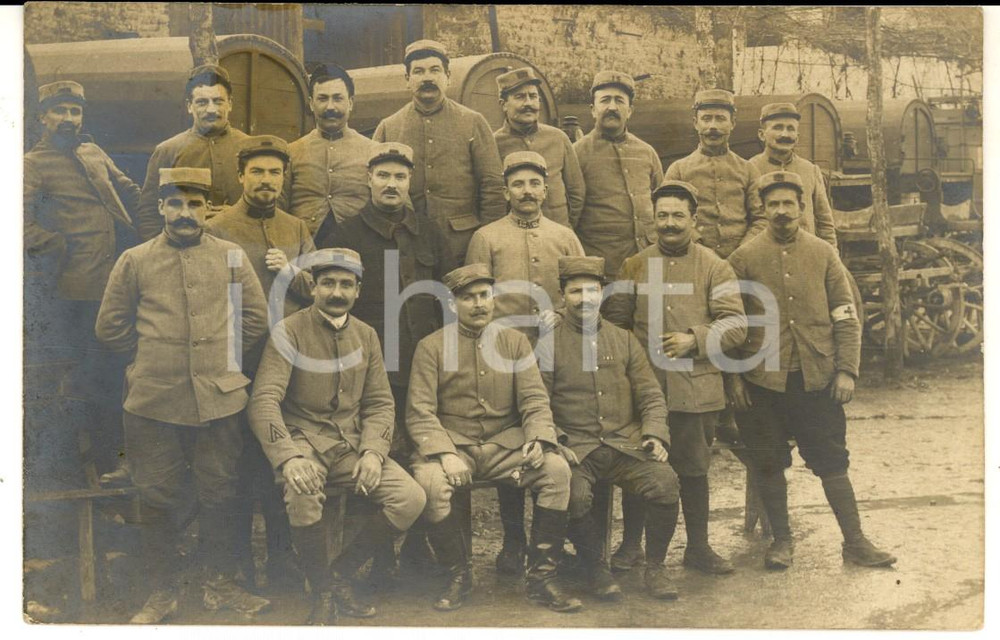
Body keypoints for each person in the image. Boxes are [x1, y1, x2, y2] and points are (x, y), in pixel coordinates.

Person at [95, 167, 270, 623]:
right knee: (156, 494)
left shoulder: (231, 255)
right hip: (154, 401)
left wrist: (220, 361)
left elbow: (254, 318)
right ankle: (162, 592)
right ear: (160, 207)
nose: (185, 213)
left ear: (207, 209)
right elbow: (110, 327)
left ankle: (219, 586)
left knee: (220, 492)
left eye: (194, 204)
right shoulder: (134, 260)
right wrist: (149, 362)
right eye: (175, 203)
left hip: (220, 399)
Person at [726, 171, 896, 571]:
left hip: (816, 378)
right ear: (763, 210)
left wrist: (846, 371)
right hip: (760, 380)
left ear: (802, 209)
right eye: (773, 205)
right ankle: (782, 542)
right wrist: (733, 377)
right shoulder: (743, 258)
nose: (782, 211)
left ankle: (855, 541)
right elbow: (727, 323)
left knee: (831, 459)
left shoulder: (823, 254)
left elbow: (846, 315)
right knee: (768, 461)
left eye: (789, 204)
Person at [249, 248, 427, 625]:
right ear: (312, 287)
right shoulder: (290, 330)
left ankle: (339, 578)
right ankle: (322, 594)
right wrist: (289, 457)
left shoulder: (366, 334)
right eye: (328, 283)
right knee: (302, 494)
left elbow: (380, 403)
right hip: (303, 443)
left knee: (410, 498)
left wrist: (374, 453)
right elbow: (264, 399)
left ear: (358, 291)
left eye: (346, 284)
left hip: (350, 447)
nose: (337, 292)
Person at [406, 264, 582, 613]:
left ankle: (542, 578)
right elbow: (420, 411)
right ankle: (457, 574)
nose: (478, 304)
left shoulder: (514, 342)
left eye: (484, 295)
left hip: (507, 445)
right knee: (428, 483)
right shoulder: (431, 346)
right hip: (455, 446)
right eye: (468, 297)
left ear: (493, 299)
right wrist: (444, 453)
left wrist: (539, 440)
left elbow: (534, 400)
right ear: (453, 304)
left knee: (557, 471)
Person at [321, 142, 456, 581]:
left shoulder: (430, 232)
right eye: (383, 175)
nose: (392, 184)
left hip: (424, 366)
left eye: (400, 176)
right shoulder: (346, 234)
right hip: (371, 369)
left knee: (422, 459)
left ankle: (418, 553)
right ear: (368, 180)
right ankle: (378, 562)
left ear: (410, 182)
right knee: (376, 458)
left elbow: (445, 301)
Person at [604, 179, 748, 576]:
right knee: (638, 468)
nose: (669, 223)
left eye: (678, 215)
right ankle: (632, 545)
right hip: (643, 391)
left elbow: (736, 325)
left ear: (693, 219)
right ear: (653, 218)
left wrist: (695, 339)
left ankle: (698, 547)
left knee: (693, 469)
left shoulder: (715, 266)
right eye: (662, 215)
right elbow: (614, 326)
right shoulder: (634, 265)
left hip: (695, 389)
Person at [465, 150, 584, 575]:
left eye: (535, 183)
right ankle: (513, 541)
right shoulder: (487, 236)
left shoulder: (564, 235)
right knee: (513, 440)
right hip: (504, 355)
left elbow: (582, 292)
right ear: (506, 191)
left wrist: (563, 315)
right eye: (518, 184)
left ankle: (552, 541)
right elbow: (475, 298)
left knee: (554, 439)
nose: (527, 191)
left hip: (555, 353)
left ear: (546, 190)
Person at [205, 134, 316, 589]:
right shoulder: (220, 227)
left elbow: (318, 287)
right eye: (257, 172)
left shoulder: (296, 228)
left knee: (280, 457)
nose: (266, 180)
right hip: (237, 364)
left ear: (284, 178)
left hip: (287, 365)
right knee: (238, 465)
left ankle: (281, 559)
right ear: (241, 176)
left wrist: (290, 270)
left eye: (274, 172)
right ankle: (238, 564)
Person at [537, 255, 682, 600]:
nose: (584, 298)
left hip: (624, 444)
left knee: (665, 482)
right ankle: (595, 569)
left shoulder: (624, 339)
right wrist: (554, 440)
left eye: (592, 290)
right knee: (573, 496)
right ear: (562, 296)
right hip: (577, 448)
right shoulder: (548, 343)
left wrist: (654, 434)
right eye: (575, 291)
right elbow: (536, 401)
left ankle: (656, 569)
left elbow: (650, 395)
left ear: (602, 293)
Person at [24, 80, 140, 484]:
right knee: (94, 378)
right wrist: (54, 245)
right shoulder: (32, 164)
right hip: (79, 290)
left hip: (120, 282)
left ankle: (122, 462)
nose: (68, 119)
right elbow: (17, 220)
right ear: (42, 117)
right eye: (60, 111)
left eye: (74, 111)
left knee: (125, 371)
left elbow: (129, 190)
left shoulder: (92, 152)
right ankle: (98, 463)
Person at [373, 39, 506, 262]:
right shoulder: (389, 127)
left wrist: (487, 241)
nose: (427, 78)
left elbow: (492, 186)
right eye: (418, 71)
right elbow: (375, 190)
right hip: (406, 244)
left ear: (448, 77)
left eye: (435, 70)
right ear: (407, 80)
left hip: (462, 244)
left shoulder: (473, 122)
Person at [136, 64, 249, 240]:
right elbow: (149, 212)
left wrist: (237, 213)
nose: (211, 109)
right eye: (202, 102)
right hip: (186, 248)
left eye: (218, 101)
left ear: (230, 104)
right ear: (190, 106)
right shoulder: (168, 150)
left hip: (240, 244)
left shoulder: (249, 147)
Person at [573, 70, 663, 279]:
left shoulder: (646, 152)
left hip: (647, 262)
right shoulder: (577, 153)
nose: (612, 107)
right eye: (605, 100)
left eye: (619, 101)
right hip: (602, 266)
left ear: (630, 110)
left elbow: (661, 202)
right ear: (593, 109)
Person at [663, 89, 765, 259]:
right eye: (706, 118)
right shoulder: (678, 170)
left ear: (732, 123)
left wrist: (741, 252)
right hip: (694, 258)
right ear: (696, 123)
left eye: (720, 119)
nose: (713, 126)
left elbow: (761, 219)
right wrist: (701, 248)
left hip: (741, 261)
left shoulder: (748, 170)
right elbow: (669, 217)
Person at [285, 64, 376, 235]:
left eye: (337, 98)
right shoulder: (292, 152)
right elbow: (277, 213)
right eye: (322, 99)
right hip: (304, 251)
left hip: (359, 249)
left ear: (350, 103)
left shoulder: (373, 151)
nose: (330, 107)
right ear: (311, 104)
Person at [493, 67, 585, 228]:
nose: (528, 103)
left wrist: (565, 226)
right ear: (504, 104)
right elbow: (492, 197)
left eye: (533, 96)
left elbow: (576, 191)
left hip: (559, 233)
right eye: (520, 97)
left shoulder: (558, 138)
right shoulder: (494, 143)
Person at [747, 102, 838, 248]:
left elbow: (825, 222)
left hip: (805, 254)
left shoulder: (811, 170)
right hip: (765, 257)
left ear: (797, 137)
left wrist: (832, 256)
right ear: (762, 135)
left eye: (791, 129)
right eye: (778, 127)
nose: (785, 134)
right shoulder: (750, 169)